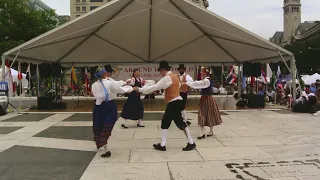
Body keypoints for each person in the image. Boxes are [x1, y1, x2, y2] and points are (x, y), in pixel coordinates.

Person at [136, 61, 196, 151]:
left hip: (174, 103)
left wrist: (140, 89)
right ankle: (189, 143)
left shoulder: (167, 78)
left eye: (160, 71)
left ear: (163, 69)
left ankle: (165, 145)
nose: (160, 73)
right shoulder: (175, 77)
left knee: (171, 122)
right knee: (175, 122)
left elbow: (156, 87)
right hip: (177, 101)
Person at [92, 66, 135, 158]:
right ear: (104, 74)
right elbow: (121, 90)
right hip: (109, 106)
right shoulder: (109, 83)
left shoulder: (94, 85)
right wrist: (132, 88)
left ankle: (100, 143)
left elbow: (115, 84)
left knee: (99, 125)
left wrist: (124, 82)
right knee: (108, 125)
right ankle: (105, 147)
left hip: (98, 107)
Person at [184, 68, 222, 139]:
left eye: (202, 71)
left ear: (205, 73)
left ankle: (210, 131)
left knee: (210, 114)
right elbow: (198, 83)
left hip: (208, 99)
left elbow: (198, 84)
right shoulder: (205, 80)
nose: (201, 73)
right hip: (204, 98)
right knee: (202, 114)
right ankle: (202, 132)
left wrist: (188, 83)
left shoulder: (207, 80)